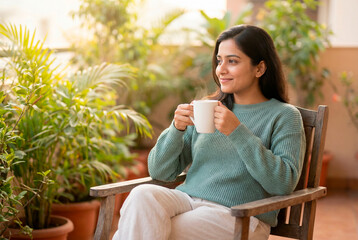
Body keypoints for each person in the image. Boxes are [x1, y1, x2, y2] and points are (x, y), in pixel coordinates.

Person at [112, 24, 306, 240]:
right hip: (188, 201)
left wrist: (237, 132)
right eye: (219, 60)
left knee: (148, 227)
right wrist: (176, 129)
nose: (221, 69)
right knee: (142, 196)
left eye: (232, 61)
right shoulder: (207, 108)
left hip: (240, 216)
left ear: (259, 68)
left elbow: (283, 183)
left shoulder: (284, 116)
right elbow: (160, 172)